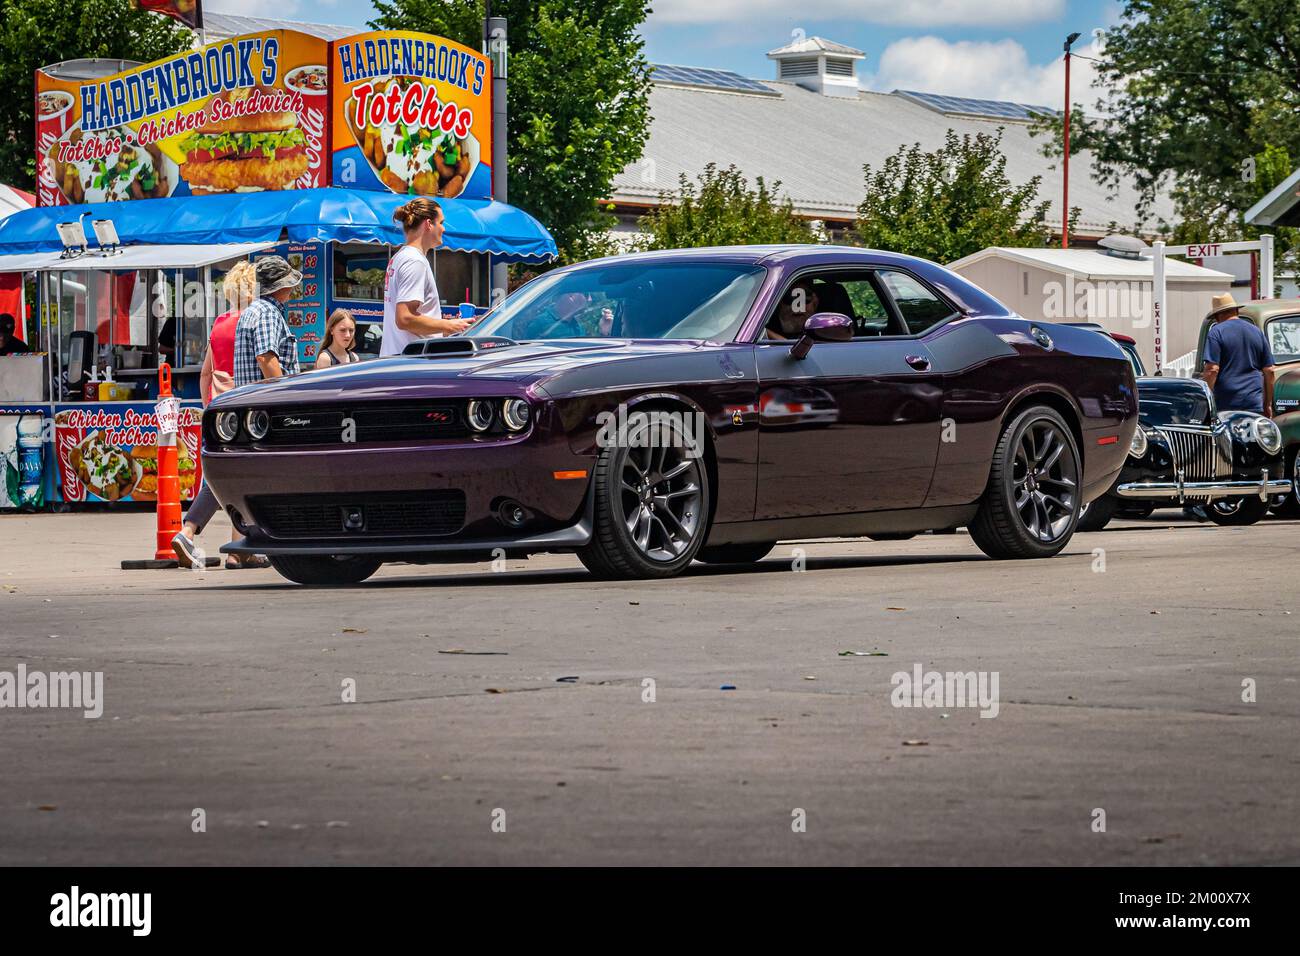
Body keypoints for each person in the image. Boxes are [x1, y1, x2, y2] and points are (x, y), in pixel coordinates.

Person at [172, 261, 267, 570]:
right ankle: (188, 532)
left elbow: (205, 373)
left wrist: (208, 404)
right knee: (225, 480)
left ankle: (240, 550)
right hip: (245, 410)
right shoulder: (254, 321)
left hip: (217, 408)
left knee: (235, 478)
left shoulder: (219, 324)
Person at [380, 197, 471, 356]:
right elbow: (405, 318)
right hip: (411, 366)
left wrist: (443, 328)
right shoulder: (414, 261)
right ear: (429, 224)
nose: (444, 229)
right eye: (441, 223)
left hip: (399, 362)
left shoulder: (401, 257)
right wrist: (448, 325)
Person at [1201, 292, 1277, 414]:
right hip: (1253, 402)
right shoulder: (1256, 331)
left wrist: (1205, 400)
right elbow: (1270, 371)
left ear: (1217, 316)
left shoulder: (1216, 332)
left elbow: (1212, 370)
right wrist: (1267, 404)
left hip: (1226, 404)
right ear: (1236, 311)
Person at [234, 256, 302, 387]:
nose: (292, 287)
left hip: (250, 402)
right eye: (290, 283)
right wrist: (281, 395)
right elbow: (265, 358)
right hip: (268, 404)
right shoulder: (268, 312)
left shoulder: (252, 310)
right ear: (280, 286)